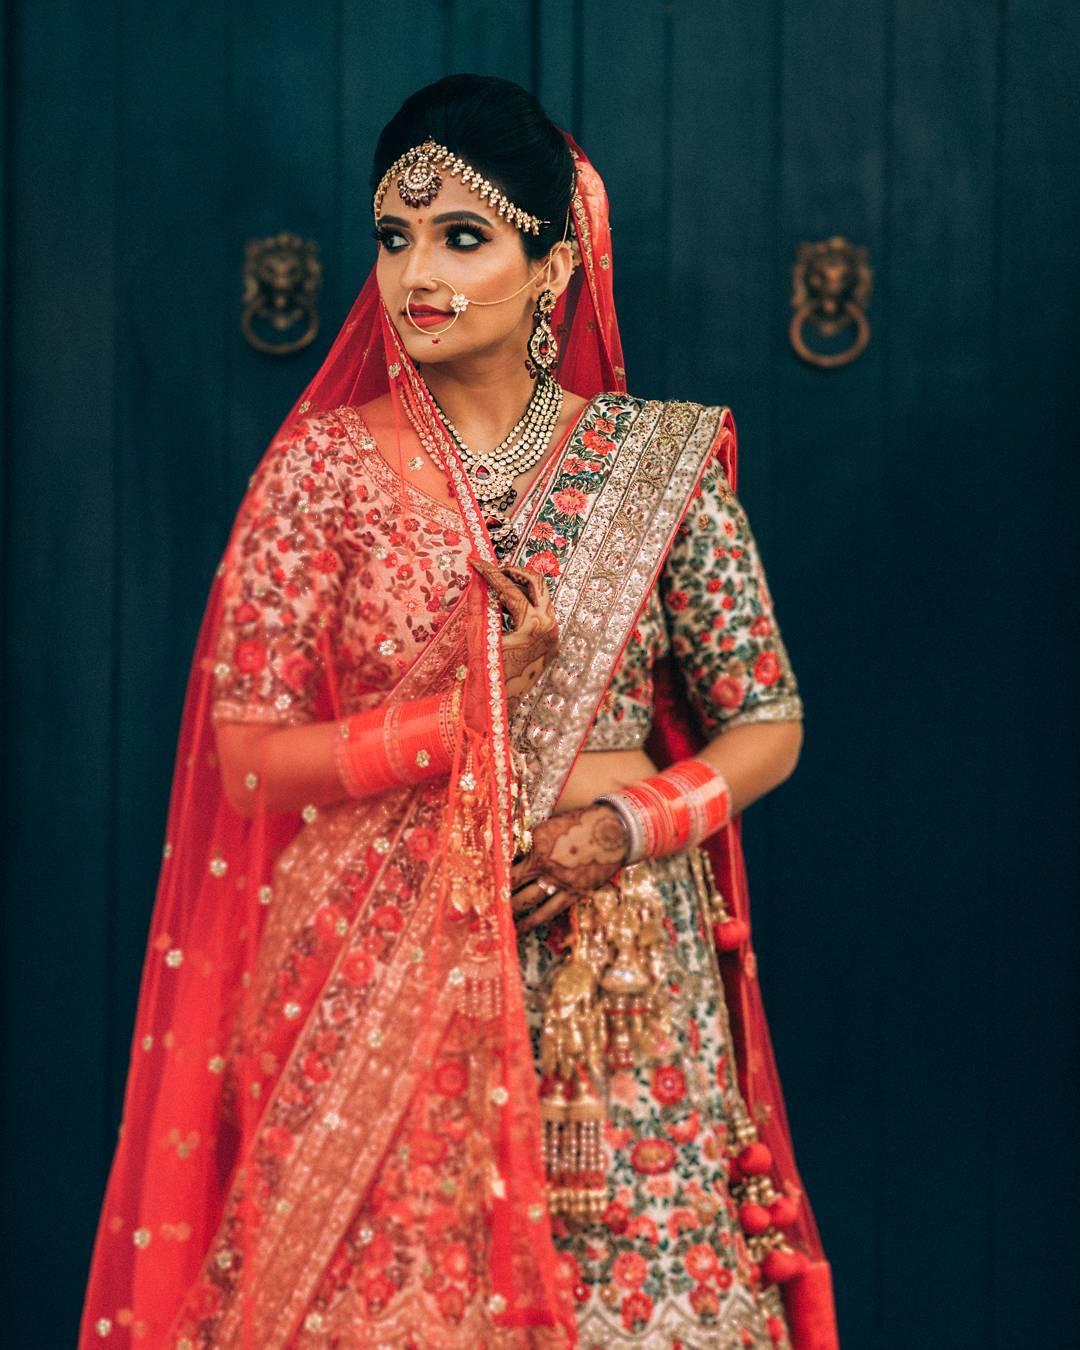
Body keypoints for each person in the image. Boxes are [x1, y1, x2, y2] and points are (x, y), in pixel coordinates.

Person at [79, 74, 838, 1350]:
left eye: (462, 236)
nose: (416, 272)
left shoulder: (660, 462)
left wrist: (632, 826)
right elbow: (249, 764)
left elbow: (767, 716)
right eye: (394, 236)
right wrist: (470, 711)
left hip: (616, 984)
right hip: (378, 974)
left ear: (552, 268)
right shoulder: (323, 468)